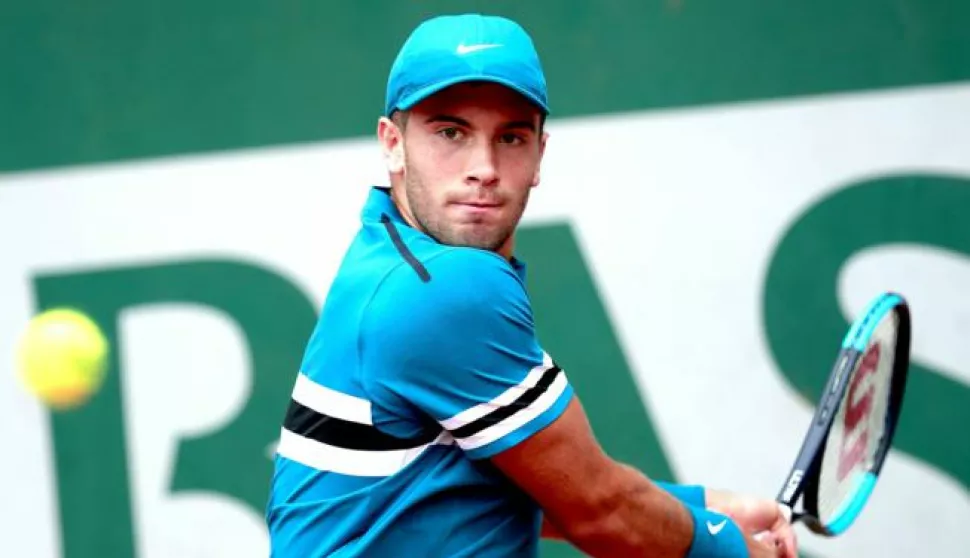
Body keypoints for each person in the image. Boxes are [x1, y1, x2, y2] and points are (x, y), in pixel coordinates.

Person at [265, 12, 797, 558]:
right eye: (451, 132)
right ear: (392, 143)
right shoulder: (447, 286)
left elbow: (525, 480)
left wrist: (706, 506)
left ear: (540, 153)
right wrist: (732, 548)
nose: (484, 167)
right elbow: (599, 510)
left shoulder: (385, 250)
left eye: (511, 137)